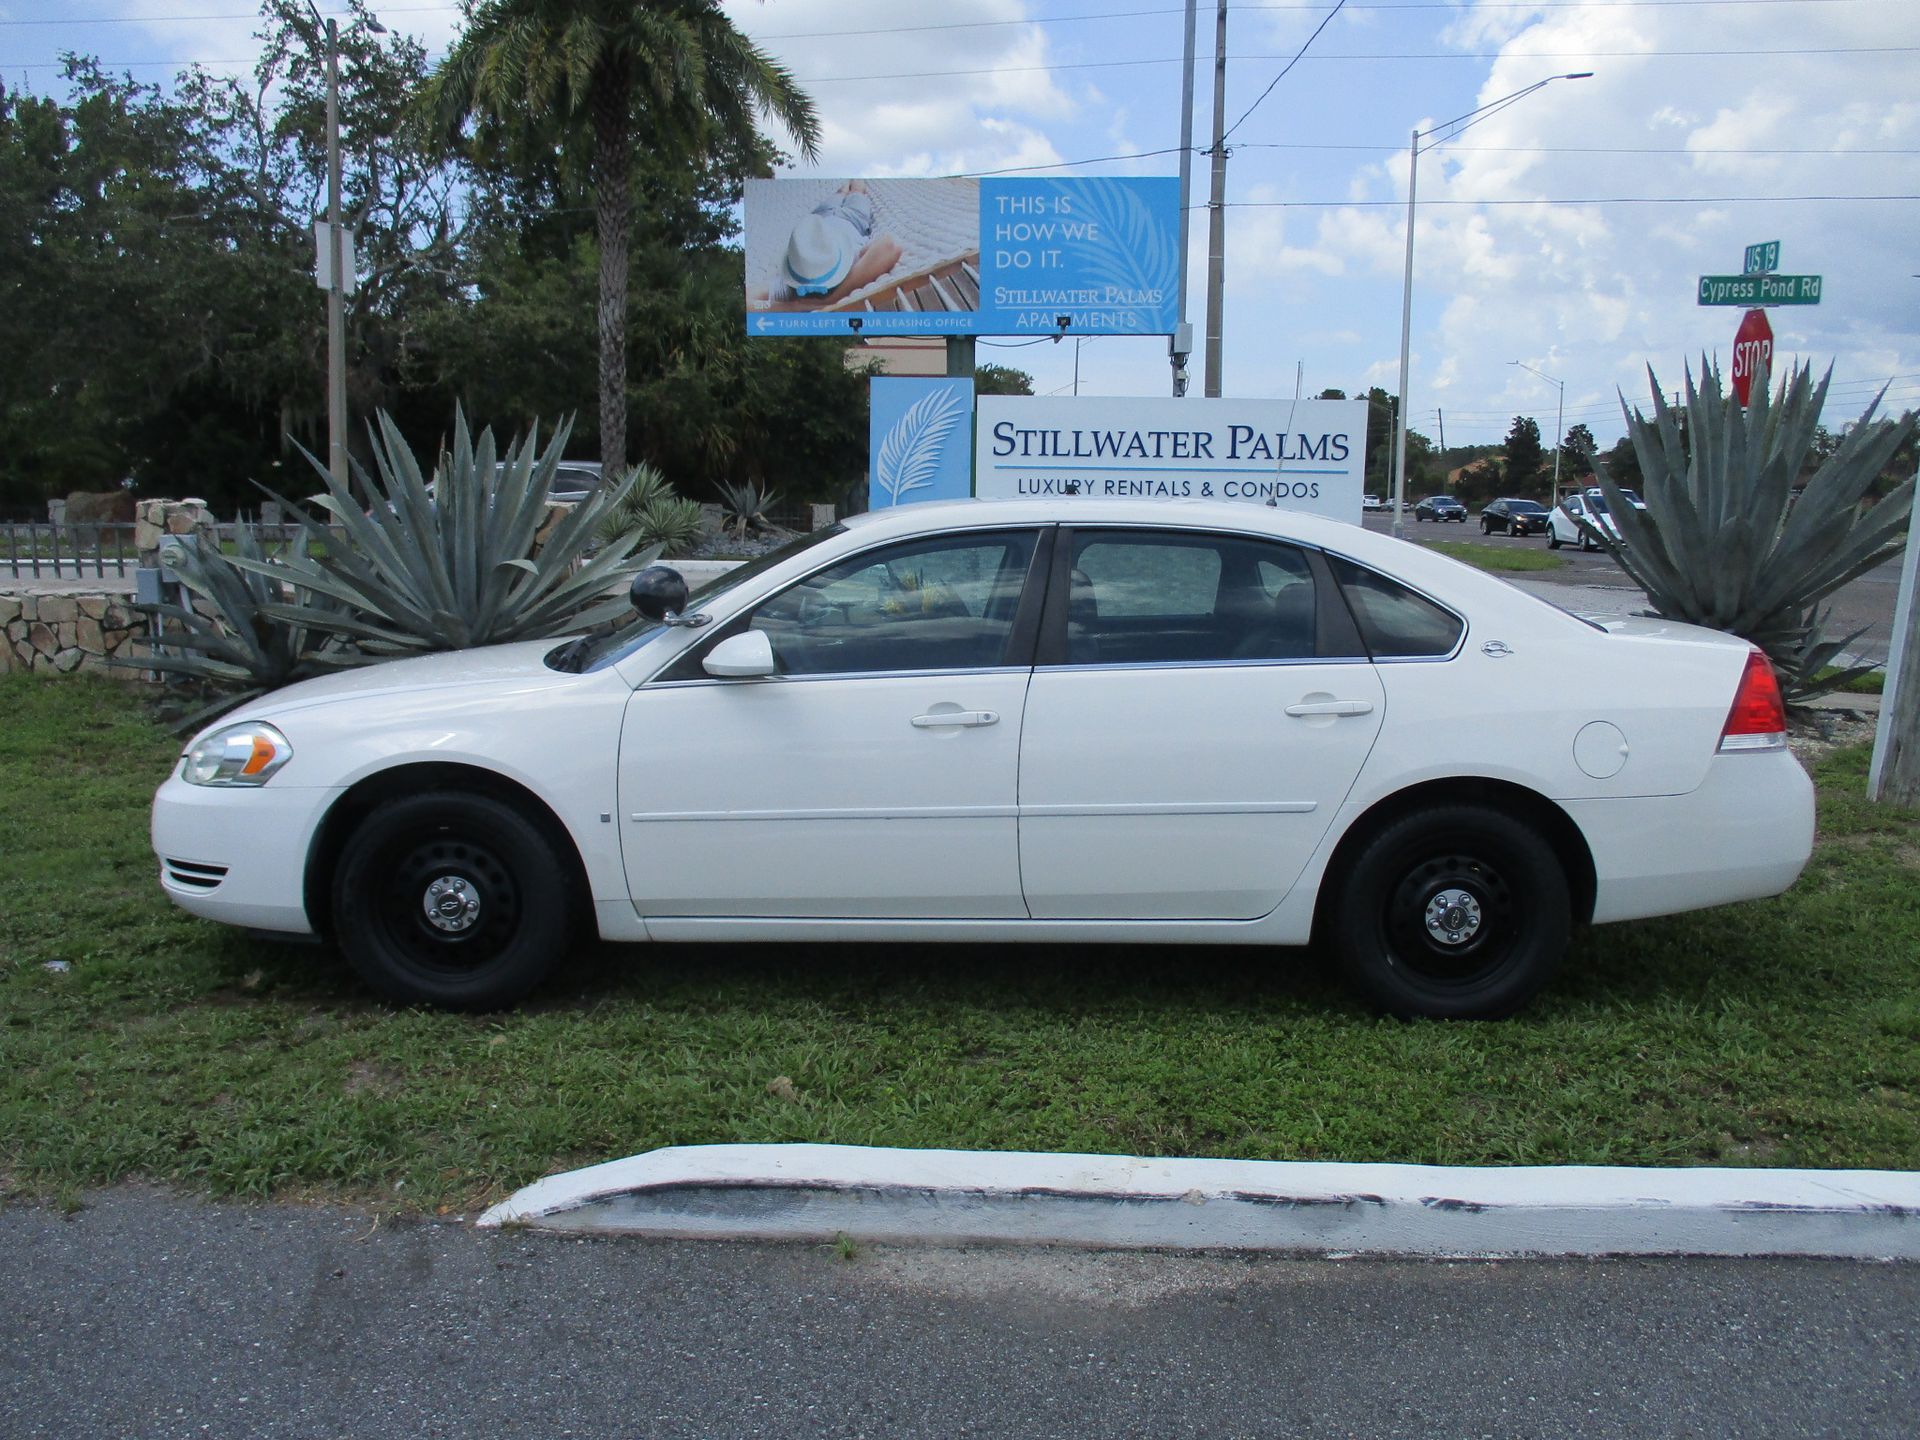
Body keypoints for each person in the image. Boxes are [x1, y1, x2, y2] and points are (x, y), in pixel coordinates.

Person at [750, 180, 904, 311]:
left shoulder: (790, 286)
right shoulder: (850, 265)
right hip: (852, 218)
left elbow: (749, 300)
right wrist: (833, 298)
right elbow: (891, 246)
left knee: (840, 192)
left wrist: (799, 305)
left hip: (819, 220)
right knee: (857, 190)